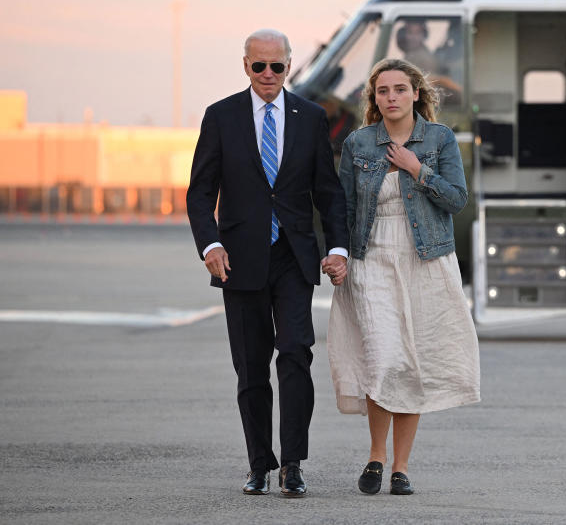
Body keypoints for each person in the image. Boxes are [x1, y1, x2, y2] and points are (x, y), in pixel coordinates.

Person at [186, 29, 350, 497]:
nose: (268, 75)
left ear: (289, 66)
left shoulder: (311, 117)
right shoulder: (221, 117)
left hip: (295, 258)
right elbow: (200, 193)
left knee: (296, 354)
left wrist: (336, 248)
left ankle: (293, 464)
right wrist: (209, 245)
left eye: (277, 66)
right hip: (238, 261)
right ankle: (260, 463)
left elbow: (328, 191)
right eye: (259, 66)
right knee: (251, 367)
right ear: (245, 66)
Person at [327, 57, 481, 496]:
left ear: (416, 93)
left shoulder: (438, 138)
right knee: (383, 356)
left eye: (399, 89)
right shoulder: (359, 144)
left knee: (411, 361)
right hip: (372, 257)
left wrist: (417, 169)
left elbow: (456, 200)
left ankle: (401, 467)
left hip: (425, 259)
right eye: (382, 91)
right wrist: (339, 255)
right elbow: (344, 207)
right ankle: (375, 457)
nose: (391, 97)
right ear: (373, 99)